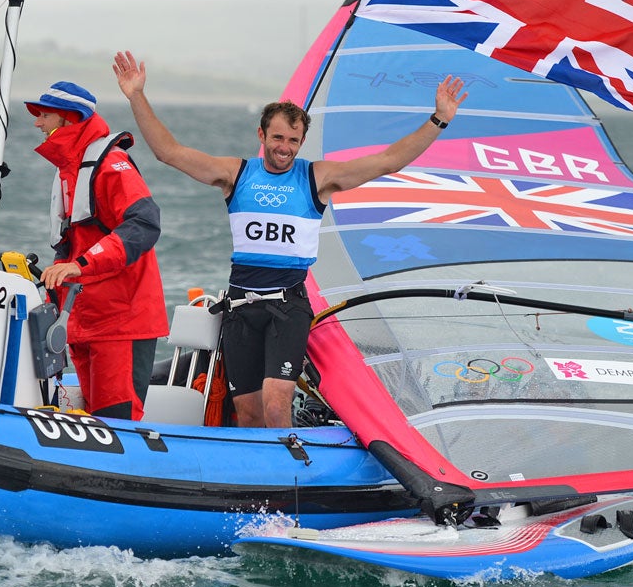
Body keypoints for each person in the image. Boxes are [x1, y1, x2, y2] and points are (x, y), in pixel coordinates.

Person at [113, 50, 467, 428]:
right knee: (248, 412)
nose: (285, 147)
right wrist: (136, 95)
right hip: (240, 308)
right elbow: (169, 153)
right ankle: (255, 481)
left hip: (288, 307)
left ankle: (288, 480)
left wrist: (438, 120)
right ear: (261, 134)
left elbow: (387, 162)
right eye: (278, 137)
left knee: (277, 402)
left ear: (302, 142)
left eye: (294, 140)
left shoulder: (317, 177)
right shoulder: (236, 173)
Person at [26, 80, 169, 421]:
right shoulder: (69, 171)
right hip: (86, 321)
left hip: (122, 323)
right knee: (96, 423)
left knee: (117, 423)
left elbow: (144, 224)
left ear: (69, 119)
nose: (37, 123)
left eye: (43, 115)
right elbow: (71, 244)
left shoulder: (110, 164)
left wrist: (80, 265)